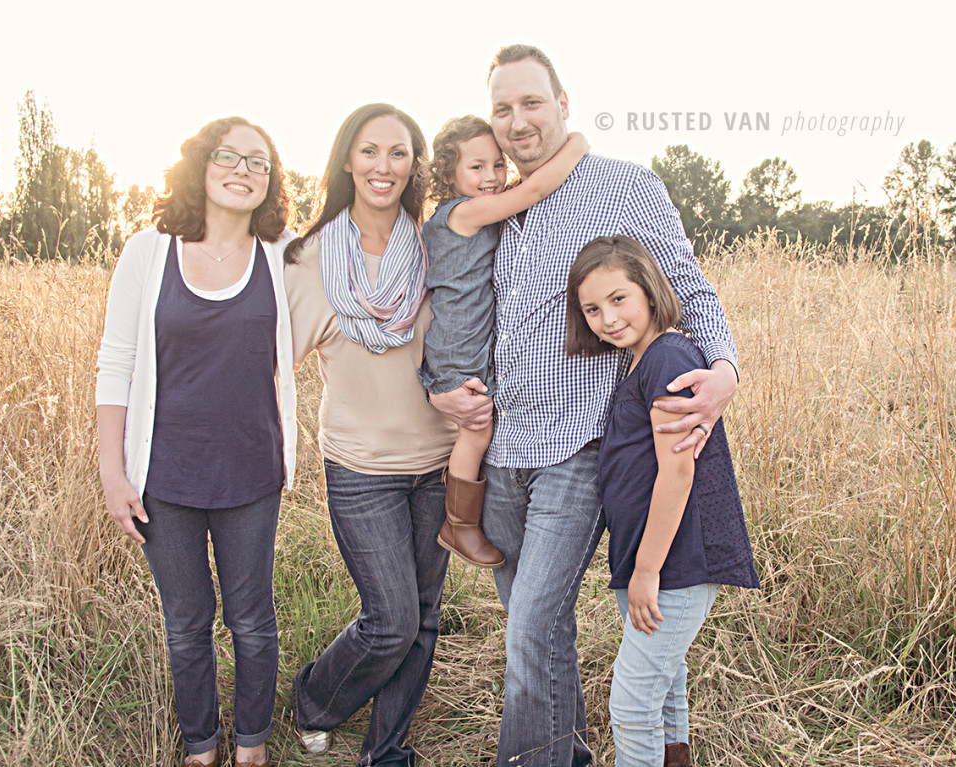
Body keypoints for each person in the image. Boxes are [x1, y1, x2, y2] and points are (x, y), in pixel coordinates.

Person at [428, 45, 740, 766]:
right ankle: (572, 751)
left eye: (531, 102)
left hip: (578, 442)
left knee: (532, 622)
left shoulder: (624, 185)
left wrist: (724, 365)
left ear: (564, 104)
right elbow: (446, 305)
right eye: (502, 108)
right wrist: (436, 383)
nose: (517, 121)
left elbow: (688, 287)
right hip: (500, 448)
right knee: (533, 626)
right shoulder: (490, 201)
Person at [95, 116, 297, 767]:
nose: (242, 169)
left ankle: (252, 745)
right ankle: (202, 746)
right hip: (165, 477)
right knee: (186, 623)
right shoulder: (147, 252)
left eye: (257, 162)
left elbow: (353, 299)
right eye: (227, 156)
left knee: (252, 621)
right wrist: (111, 470)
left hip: (251, 473)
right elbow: (115, 362)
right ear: (200, 166)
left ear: (270, 182)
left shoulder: (286, 256)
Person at [284, 103, 456, 767]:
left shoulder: (438, 245)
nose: (383, 166)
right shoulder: (310, 259)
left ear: (415, 165)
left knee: (424, 614)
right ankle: (315, 699)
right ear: (347, 160)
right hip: (360, 466)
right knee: (391, 619)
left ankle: (386, 750)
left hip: (438, 463)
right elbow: (272, 361)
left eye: (398, 152)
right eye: (369, 150)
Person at [566, 235, 759, 767]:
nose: (607, 317)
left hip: (672, 562)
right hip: (651, 558)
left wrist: (646, 569)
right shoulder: (640, 361)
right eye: (592, 309)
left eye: (618, 298)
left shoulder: (668, 356)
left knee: (631, 704)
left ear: (649, 290)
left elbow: (678, 470)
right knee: (667, 685)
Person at [420, 115, 588, 568]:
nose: (492, 177)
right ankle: (459, 525)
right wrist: (575, 145)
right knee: (477, 430)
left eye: (498, 165)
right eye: (477, 168)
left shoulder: (470, 209)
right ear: (449, 174)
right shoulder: (462, 212)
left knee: (479, 427)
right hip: (459, 343)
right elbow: (531, 192)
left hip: (471, 339)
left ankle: (462, 522)